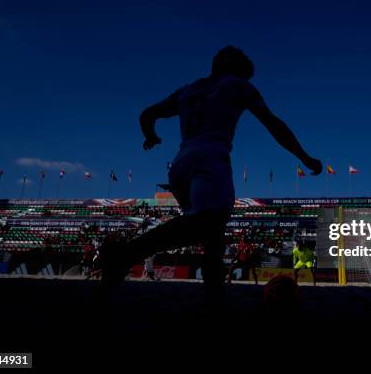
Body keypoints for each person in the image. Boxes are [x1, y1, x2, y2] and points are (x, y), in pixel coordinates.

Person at [100, 46, 322, 303]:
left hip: (181, 163)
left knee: (211, 232)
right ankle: (127, 253)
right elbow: (273, 124)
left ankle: (214, 294)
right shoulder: (238, 86)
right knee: (209, 222)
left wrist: (150, 136)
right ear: (234, 67)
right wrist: (304, 157)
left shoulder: (187, 90)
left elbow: (147, 114)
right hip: (210, 159)